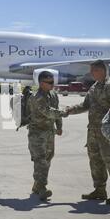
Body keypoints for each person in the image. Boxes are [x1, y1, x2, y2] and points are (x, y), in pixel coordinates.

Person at [65, 60, 110, 204]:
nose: (91, 73)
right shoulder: (94, 86)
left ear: (102, 71)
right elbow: (85, 105)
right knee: (95, 161)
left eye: (94, 70)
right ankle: (99, 190)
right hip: (93, 132)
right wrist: (69, 110)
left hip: (107, 133)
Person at [26, 71, 67, 200]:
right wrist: (64, 113)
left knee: (48, 159)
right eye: (49, 82)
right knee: (40, 161)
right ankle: (42, 188)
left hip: (49, 132)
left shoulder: (53, 95)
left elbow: (56, 111)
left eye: (52, 82)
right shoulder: (36, 97)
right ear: (41, 83)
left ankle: (37, 185)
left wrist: (59, 126)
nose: (52, 84)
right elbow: (49, 112)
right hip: (37, 133)